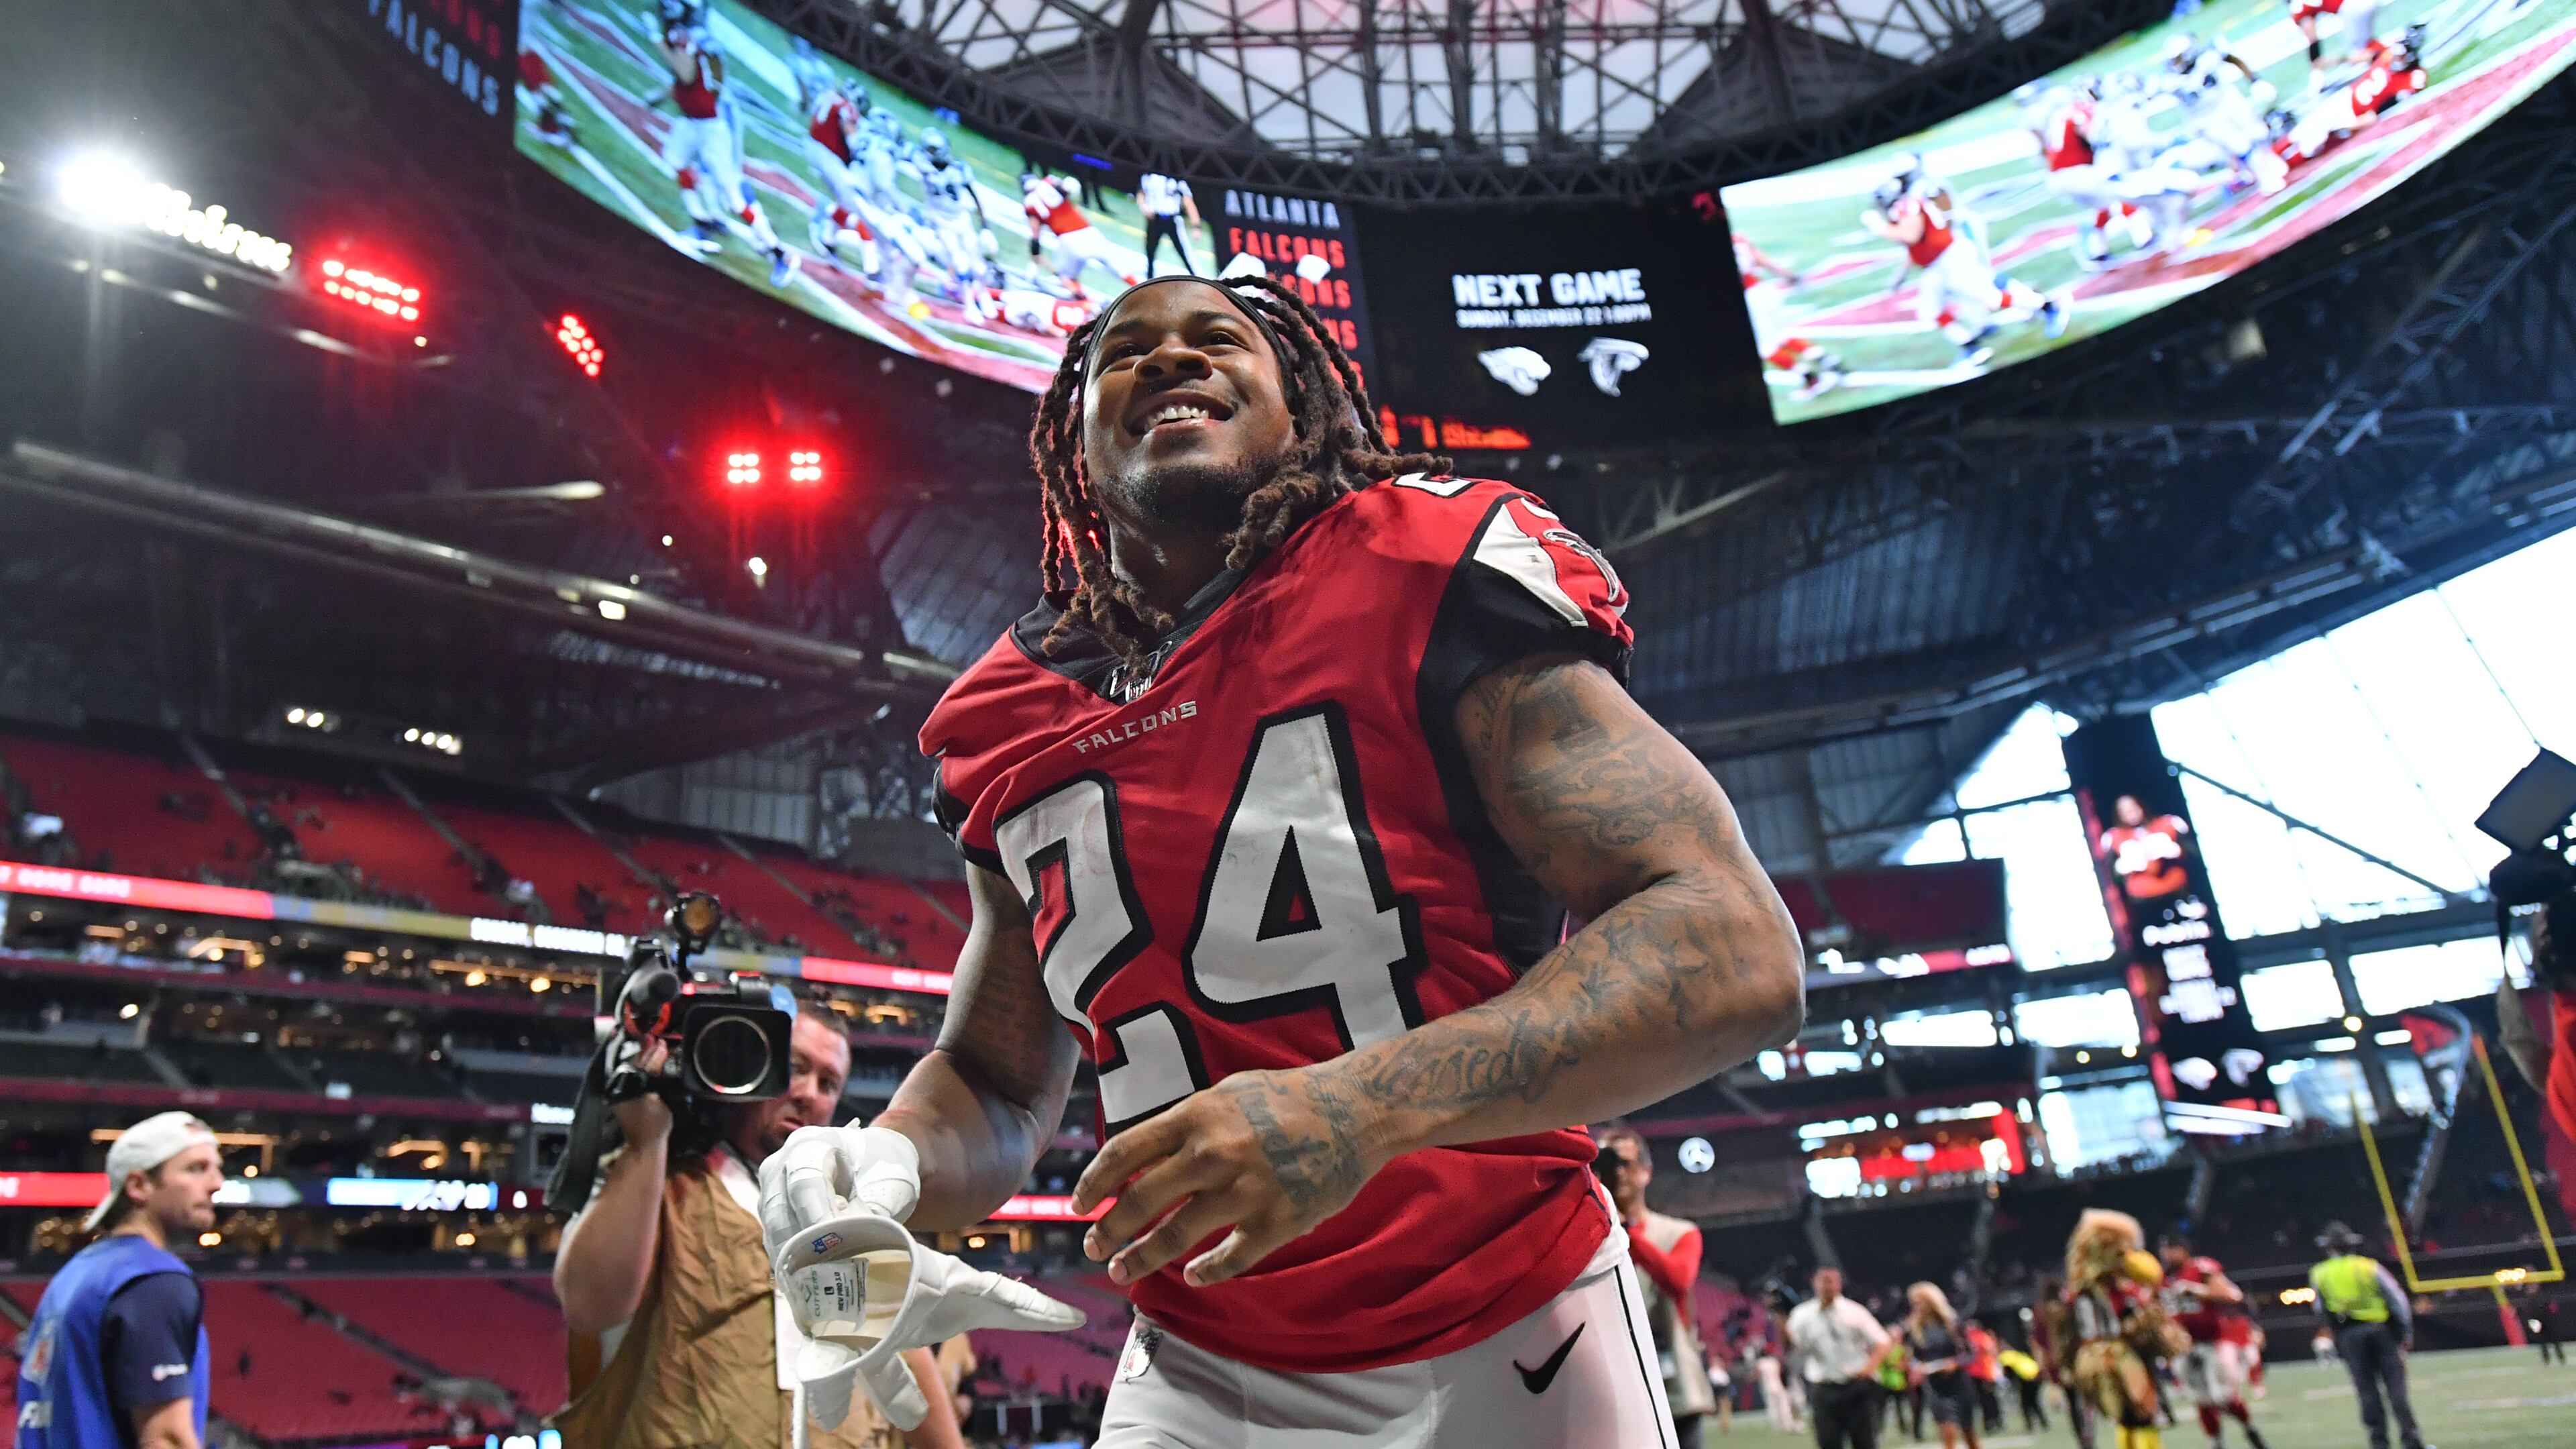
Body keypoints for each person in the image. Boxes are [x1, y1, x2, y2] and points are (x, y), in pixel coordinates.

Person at [757, 272, 1807, 1446]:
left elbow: (1731, 944)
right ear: (1074, 443)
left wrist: (1354, 1110)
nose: (1168, 358)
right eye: (1124, 353)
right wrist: (887, 1160)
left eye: (1218, 337)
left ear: (1300, 403)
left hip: (1510, 1326)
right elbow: (1000, 1086)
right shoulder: (1004, 715)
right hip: (1198, 1367)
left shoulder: (1423, 565)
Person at [551, 1012, 965, 1449]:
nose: (809, 1095)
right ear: (752, 1066)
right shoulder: (664, 1185)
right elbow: (588, 1306)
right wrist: (648, 1140)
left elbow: (906, 1363)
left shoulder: (856, 1215)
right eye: (797, 1068)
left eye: (828, 1084)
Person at [14, 1112, 223, 1449]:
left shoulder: (77, 1273)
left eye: (216, 1168)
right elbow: (166, 1439)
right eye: (196, 1169)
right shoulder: (154, 1280)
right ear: (139, 1186)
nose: (217, 1183)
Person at [1599, 1126, 1718, 1448]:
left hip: (1675, 1384)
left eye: (1624, 1163)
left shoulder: (1679, 1232)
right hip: (1614, 1386)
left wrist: (1625, 1231)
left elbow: (1678, 1279)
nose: (1617, 1173)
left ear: (1646, 1173)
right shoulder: (1588, 1237)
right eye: (1607, 1164)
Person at [2065, 1210, 2184, 1449]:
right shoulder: (2105, 1291)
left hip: (2098, 1355)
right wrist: (2147, 1318)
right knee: (2142, 1411)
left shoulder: (2081, 1291)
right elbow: (2125, 1324)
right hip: (2117, 1355)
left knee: (2127, 1418)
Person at [2308, 1222, 2422, 1449]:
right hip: (2381, 1332)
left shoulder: (2319, 1273)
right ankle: (2412, 1441)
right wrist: (2405, 1331)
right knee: (2396, 1389)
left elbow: (2320, 1308)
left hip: (2349, 1335)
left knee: (2366, 1391)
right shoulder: (2368, 1267)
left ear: (2329, 1248)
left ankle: (2379, 1443)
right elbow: (2397, 1300)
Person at [2158, 1236, 2266, 1449]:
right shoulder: (2162, 1278)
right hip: (2185, 1347)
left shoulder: (2201, 1268)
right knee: (2202, 1400)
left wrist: (2197, 1290)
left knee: (2223, 1396)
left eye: (2170, 1249)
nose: (2165, 1255)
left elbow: (2234, 1295)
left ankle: (2249, 1428)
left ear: (2182, 1250)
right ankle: (2216, 1442)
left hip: (2213, 1341)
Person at [1787, 1267, 1893, 1449]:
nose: (1827, 1286)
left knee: (1865, 1443)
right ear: (1815, 1284)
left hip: (1855, 1387)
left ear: (1839, 1284)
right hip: (1823, 1387)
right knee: (1828, 1443)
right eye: (1823, 1281)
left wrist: (1869, 1368)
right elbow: (1795, 1345)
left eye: (1831, 1281)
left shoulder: (1854, 1311)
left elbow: (1883, 1341)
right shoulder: (1802, 1314)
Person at [1892, 1285, 1980, 1449]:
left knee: (1969, 1433)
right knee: (1947, 1432)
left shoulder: (1952, 1324)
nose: (1917, 1306)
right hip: (1935, 1385)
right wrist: (1916, 1367)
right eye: (1914, 1303)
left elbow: (1970, 1354)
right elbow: (1909, 1358)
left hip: (1959, 1383)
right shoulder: (1913, 1329)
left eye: (1920, 1302)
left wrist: (1955, 1363)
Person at [1136, 173, 1199, 277]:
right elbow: (1141, 193)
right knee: (1150, 251)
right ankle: (1149, 279)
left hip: (1172, 219)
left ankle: (1197, 277)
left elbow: (1188, 203)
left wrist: (1196, 226)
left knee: (1184, 252)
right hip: (1154, 218)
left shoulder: (1178, 180)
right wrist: (1143, 206)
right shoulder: (1148, 176)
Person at [1996, 1341, 2047, 1432]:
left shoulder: (2005, 1356)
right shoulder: (2016, 1354)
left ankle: (2030, 1424)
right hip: (2036, 1375)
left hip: (2027, 1378)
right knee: (2034, 1402)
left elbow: (2004, 1371)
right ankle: (2043, 1422)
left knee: (2026, 1403)